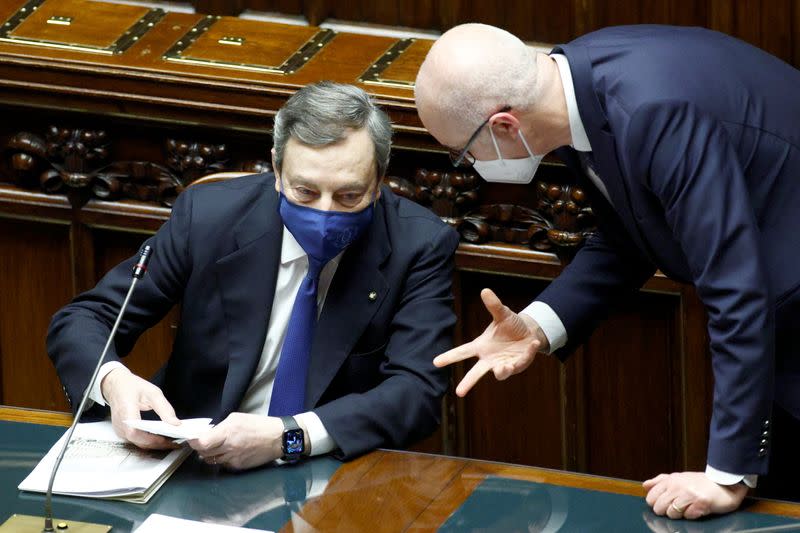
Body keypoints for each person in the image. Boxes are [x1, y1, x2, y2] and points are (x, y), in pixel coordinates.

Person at [414, 23, 800, 519]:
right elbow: (628, 235)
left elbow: (736, 292)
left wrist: (725, 475)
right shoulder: (572, 85)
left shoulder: (653, 113)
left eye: (463, 153)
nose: (466, 167)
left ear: (505, 126)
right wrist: (535, 326)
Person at [47, 81, 459, 470]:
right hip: (192, 460)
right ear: (278, 171)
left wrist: (289, 437)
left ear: (379, 182)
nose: (325, 213)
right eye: (306, 192)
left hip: (331, 470)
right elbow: (86, 319)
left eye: (349, 195)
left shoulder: (417, 245)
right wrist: (113, 381)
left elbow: (416, 391)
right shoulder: (209, 218)